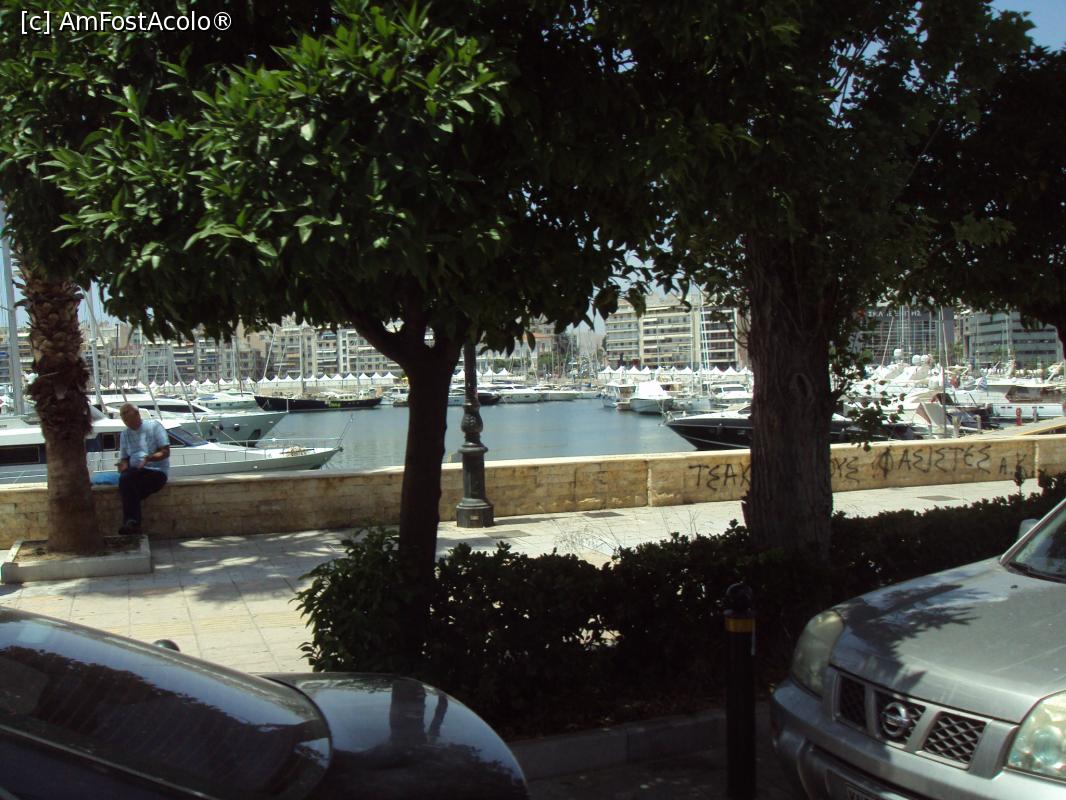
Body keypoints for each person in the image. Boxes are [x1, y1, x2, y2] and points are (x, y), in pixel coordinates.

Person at [116, 403, 170, 536]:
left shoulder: (154, 426)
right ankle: (132, 523)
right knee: (126, 479)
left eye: (127, 416)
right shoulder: (124, 434)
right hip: (135, 473)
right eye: (123, 418)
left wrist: (149, 458)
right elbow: (124, 458)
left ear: (137, 414)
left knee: (128, 486)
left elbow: (165, 452)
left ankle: (132, 522)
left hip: (156, 472)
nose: (125, 420)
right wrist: (123, 465)